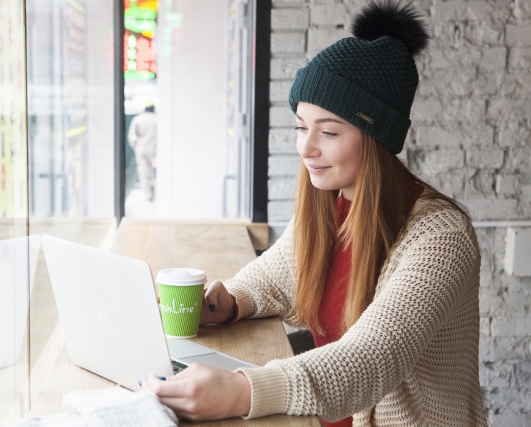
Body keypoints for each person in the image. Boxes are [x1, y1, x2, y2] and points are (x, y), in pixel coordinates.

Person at [141, 1, 488, 425]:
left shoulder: (440, 237)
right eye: (301, 127)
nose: (306, 148)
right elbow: (278, 275)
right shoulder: (335, 201)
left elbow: (373, 358)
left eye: (328, 131)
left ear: (376, 138)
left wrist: (242, 389)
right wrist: (228, 301)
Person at [128, 103, 157, 201]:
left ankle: (148, 195)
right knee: (155, 172)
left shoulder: (137, 119)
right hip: (154, 151)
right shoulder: (157, 119)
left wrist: (136, 148)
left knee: (144, 172)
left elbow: (132, 137)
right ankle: (156, 192)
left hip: (141, 150)